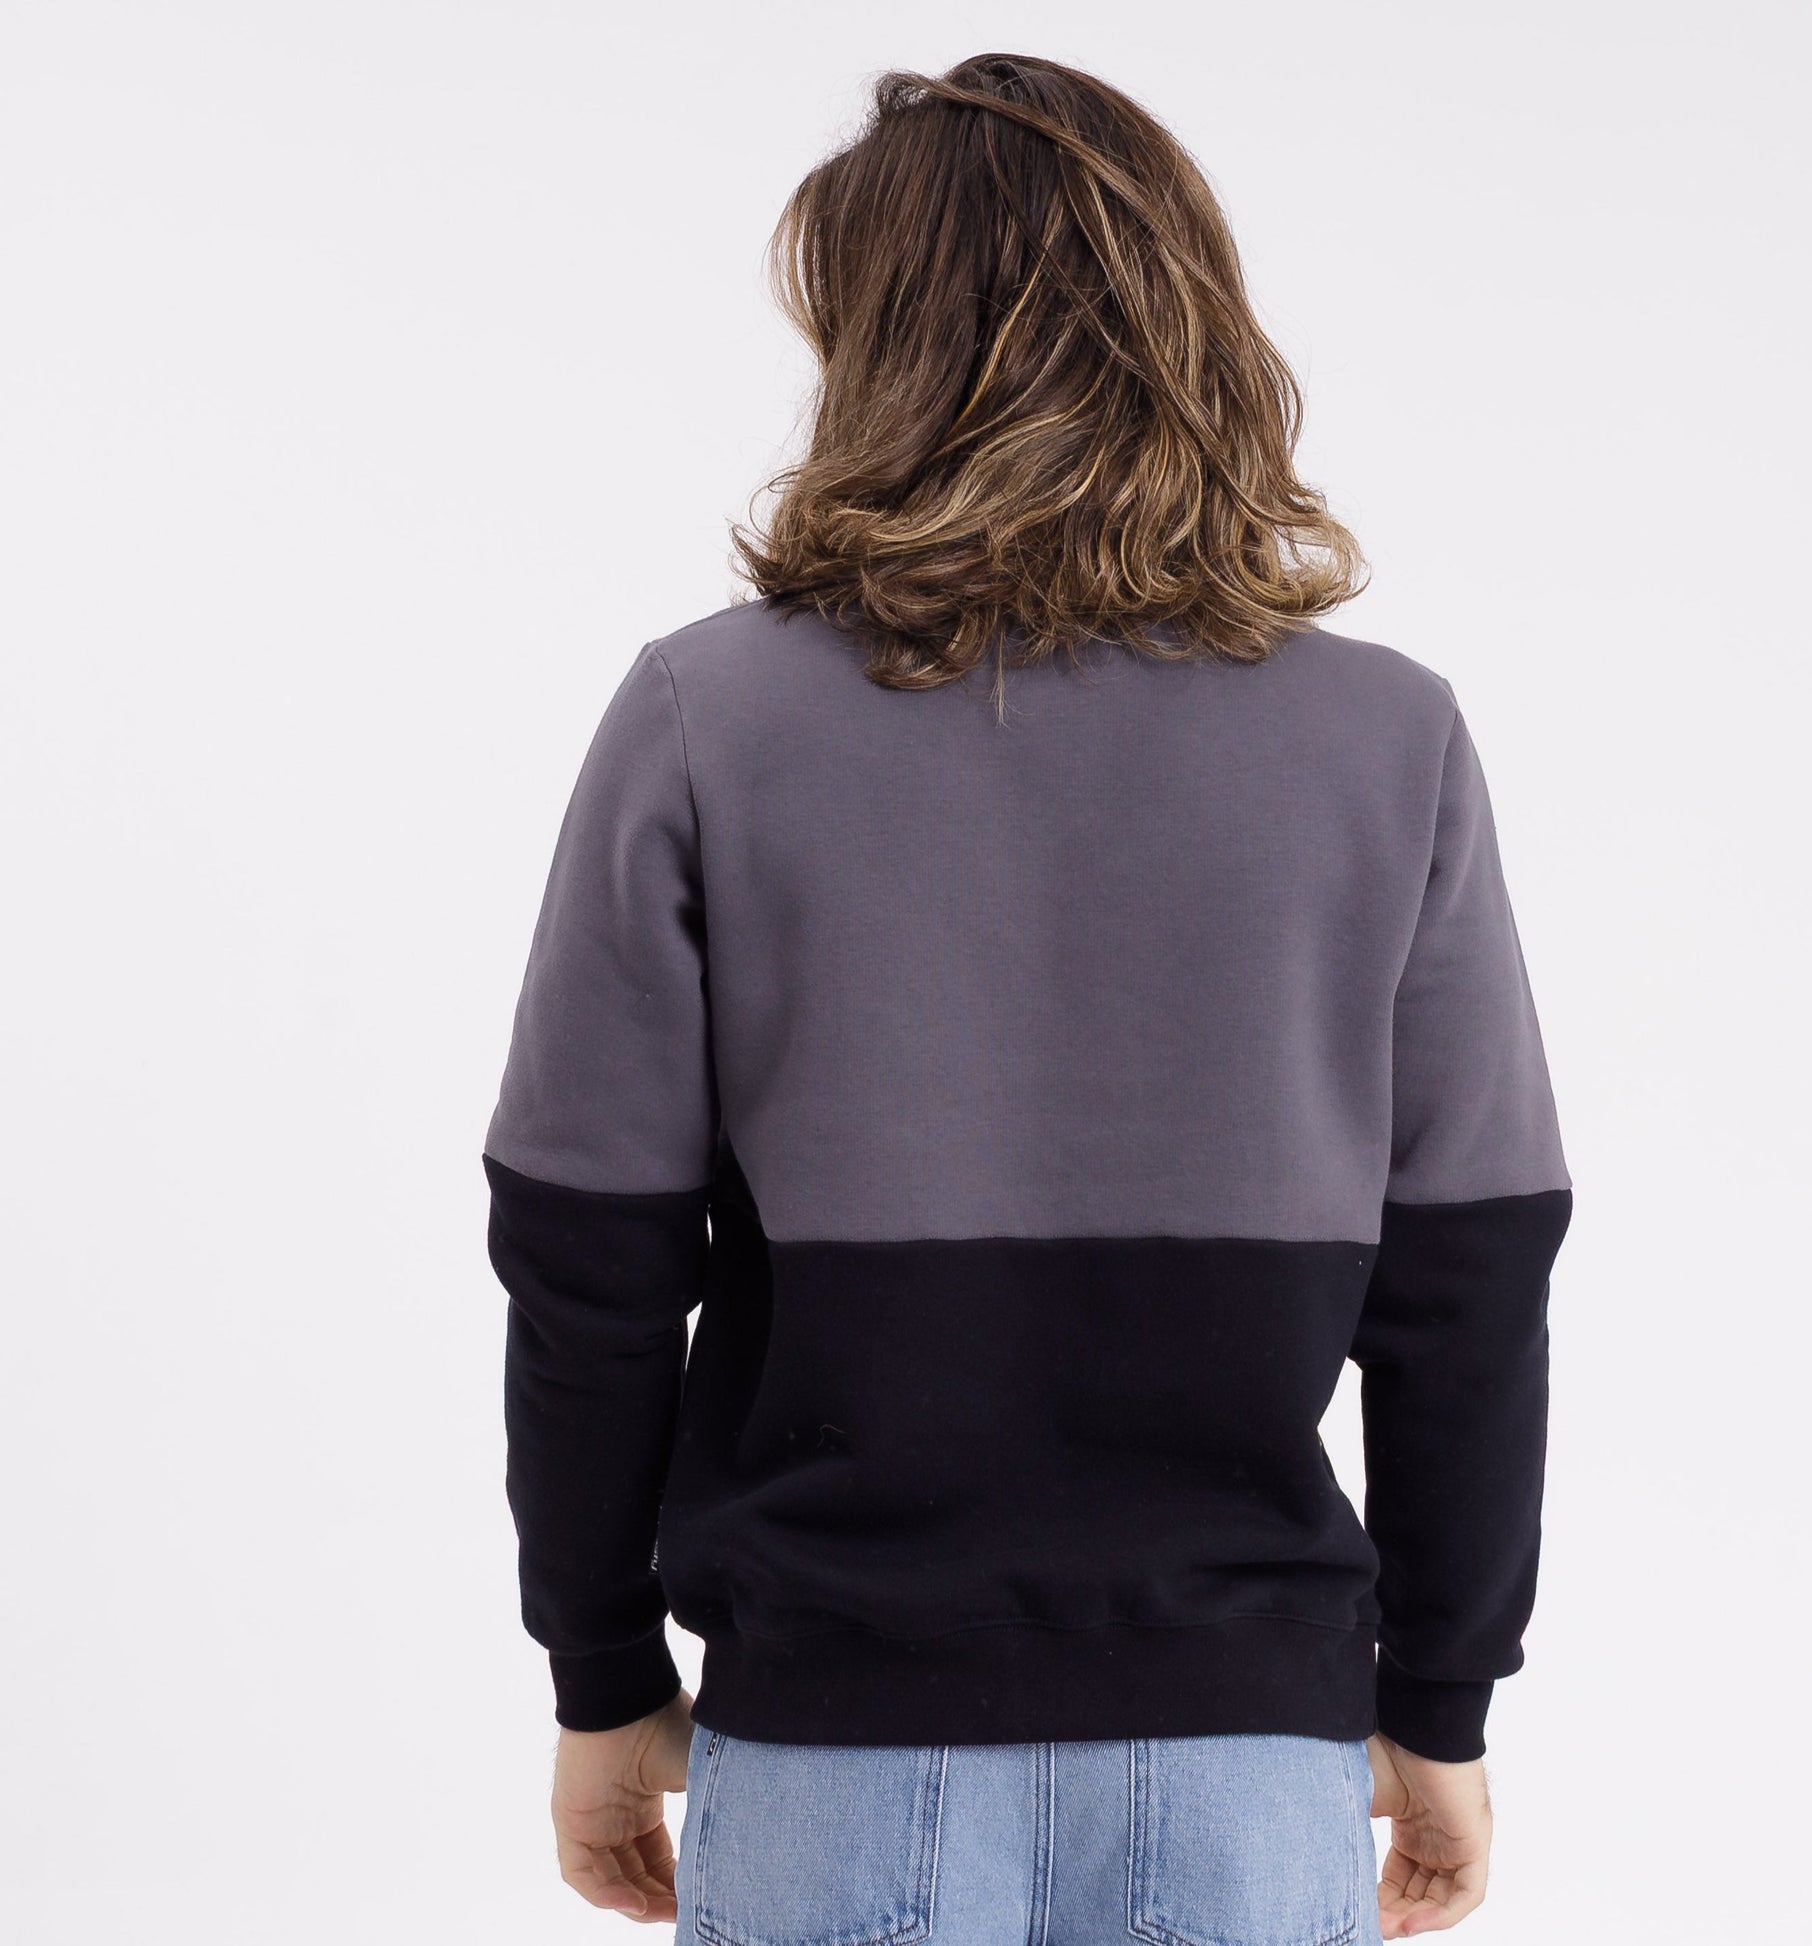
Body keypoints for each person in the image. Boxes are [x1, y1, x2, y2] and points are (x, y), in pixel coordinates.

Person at [482, 51, 1573, 1944]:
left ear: (875, 346)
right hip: (1248, 1766)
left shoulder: (704, 717)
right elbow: (1467, 1281)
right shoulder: (1386, 740)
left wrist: (598, 1676)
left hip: (832, 1750)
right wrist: (1440, 1700)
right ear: (1189, 323)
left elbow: (590, 1264)